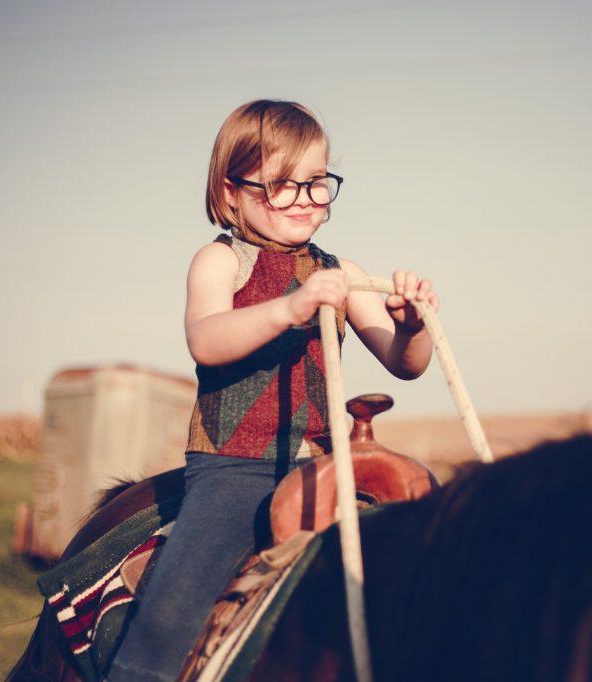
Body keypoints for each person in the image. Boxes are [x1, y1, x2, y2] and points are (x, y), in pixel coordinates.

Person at [107, 99, 439, 681]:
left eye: (317, 183)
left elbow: (404, 363)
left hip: (323, 461)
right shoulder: (219, 262)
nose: (306, 201)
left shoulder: (340, 270)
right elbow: (206, 340)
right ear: (232, 191)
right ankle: (139, 673)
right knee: (175, 605)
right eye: (282, 186)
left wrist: (413, 325)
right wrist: (289, 308)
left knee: (423, 547)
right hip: (236, 468)